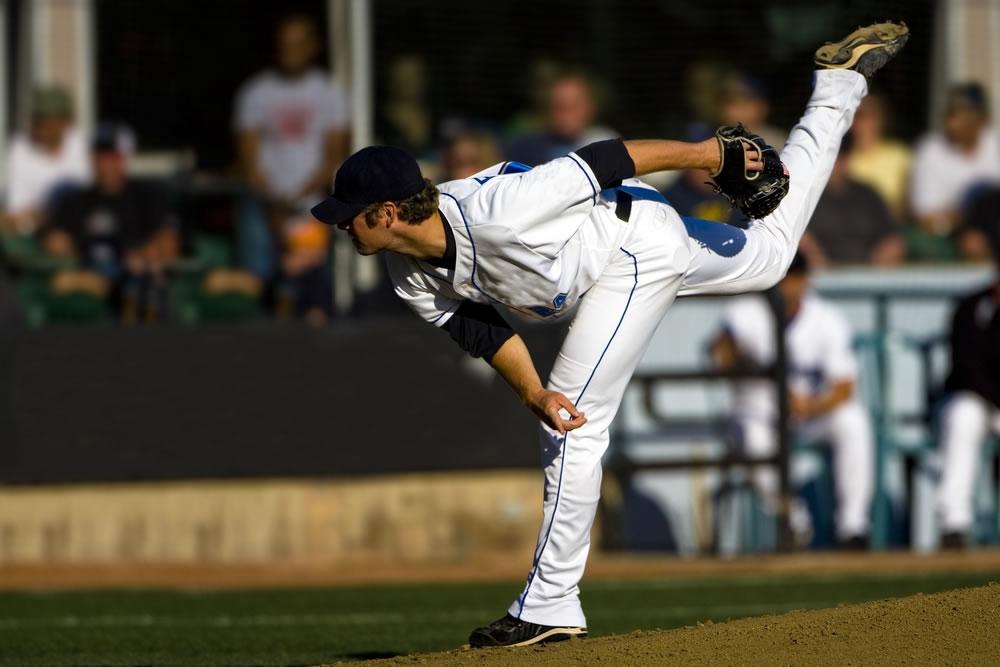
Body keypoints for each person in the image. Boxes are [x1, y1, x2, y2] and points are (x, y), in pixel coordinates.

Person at [310, 23, 907, 648]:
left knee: (574, 421)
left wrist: (707, 155)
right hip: (622, 243)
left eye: (347, 217)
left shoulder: (500, 210)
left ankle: (549, 603)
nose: (340, 228)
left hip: (633, 248)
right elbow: (477, 328)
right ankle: (840, 85)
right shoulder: (408, 270)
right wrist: (531, 391)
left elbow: (605, 158)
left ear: (384, 212)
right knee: (771, 257)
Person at [711, 253, 874, 547]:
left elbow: (844, 387)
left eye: (796, 277)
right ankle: (794, 522)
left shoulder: (825, 316)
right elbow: (721, 355)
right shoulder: (745, 309)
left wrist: (811, 405)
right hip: (759, 411)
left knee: (853, 421)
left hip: (808, 412)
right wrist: (747, 362)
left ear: (805, 280)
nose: (789, 285)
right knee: (751, 437)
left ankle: (853, 526)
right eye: (785, 277)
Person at [233, 13, 350, 280]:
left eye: (298, 44)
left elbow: (334, 156)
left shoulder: (330, 93)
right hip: (263, 204)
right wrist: (274, 202)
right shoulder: (255, 92)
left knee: (312, 280)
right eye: (285, 44)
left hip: (315, 203)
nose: (291, 51)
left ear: (313, 46)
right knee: (258, 279)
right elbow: (248, 159)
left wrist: (300, 200)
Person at [41, 124, 178, 321]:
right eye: (99, 156)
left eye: (112, 157)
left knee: (145, 285)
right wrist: (61, 248)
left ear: (125, 158)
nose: (104, 164)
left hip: (130, 277)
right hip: (87, 274)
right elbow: (54, 239)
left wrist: (145, 255)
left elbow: (168, 241)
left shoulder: (147, 195)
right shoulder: (74, 200)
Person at [936, 235, 1000, 549]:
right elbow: (964, 367)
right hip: (976, 399)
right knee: (962, 416)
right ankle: (954, 524)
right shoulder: (972, 307)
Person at [908, 83, 1000, 260]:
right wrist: (962, 219)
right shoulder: (930, 150)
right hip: (956, 232)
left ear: (980, 120)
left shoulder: (995, 144)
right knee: (974, 243)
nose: (952, 123)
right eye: (950, 114)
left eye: (961, 115)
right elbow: (924, 216)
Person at [799, 133, 904, 267]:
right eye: (831, 157)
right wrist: (814, 260)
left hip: (866, 276)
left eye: (842, 156)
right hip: (818, 277)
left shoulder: (868, 194)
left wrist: (878, 266)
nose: (837, 163)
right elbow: (799, 240)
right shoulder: (804, 196)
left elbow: (892, 239)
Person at [2, 87, 90, 236]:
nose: (37, 127)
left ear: (66, 122)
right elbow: (13, 214)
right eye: (35, 120)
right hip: (36, 234)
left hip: (82, 229)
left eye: (44, 120)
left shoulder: (82, 145)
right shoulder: (19, 150)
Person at [505, 71, 618, 166]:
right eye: (559, 105)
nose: (566, 111)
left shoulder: (608, 144)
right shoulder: (524, 149)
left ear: (591, 107)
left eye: (574, 104)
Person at [846, 93, 911, 220]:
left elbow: (906, 204)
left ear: (880, 120)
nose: (856, 122)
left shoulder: (899, 155)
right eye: (852, 116)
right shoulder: (840, 159)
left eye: (862, 116)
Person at [718, 73, 787, 151]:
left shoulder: (779, 141)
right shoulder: (712, 142)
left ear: (762, 106)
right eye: (732, 103)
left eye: (745, 103)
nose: (739, 111)